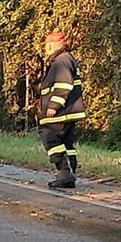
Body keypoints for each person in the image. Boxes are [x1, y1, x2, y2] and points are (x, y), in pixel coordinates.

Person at [38, 31, 85, 189]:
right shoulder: (66, 59)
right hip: (69, 111)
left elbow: (64, 85)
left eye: (46, 46)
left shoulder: (61, 61)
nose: (45, 50)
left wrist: (54, 105)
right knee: (67, 143)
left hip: (61, 112)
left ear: (52, 45)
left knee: (52, 140)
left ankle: (64, 173)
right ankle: (69, 175)